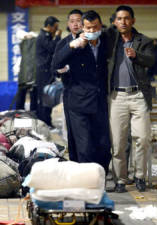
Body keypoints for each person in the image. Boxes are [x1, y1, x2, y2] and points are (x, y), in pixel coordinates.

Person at [51, 10, 111, 173]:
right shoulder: (70, 44)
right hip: (77, 101)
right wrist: (72, 46)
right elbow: (55, 65)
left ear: (100, 26)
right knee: (83, 144)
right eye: (88, 28)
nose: (91, 31)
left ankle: (101, 176)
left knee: (103, 143)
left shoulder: (105, 41)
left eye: (95, 27)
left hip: (99, 101)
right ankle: (85, 177)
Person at [107, 5, 155, 192]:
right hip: (117, 96)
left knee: (142, 138)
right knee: (118, 143)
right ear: (115, 21)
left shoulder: (144, 41)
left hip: (138, 96)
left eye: (126, 18)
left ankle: (140, 176)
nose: (123, 22)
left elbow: (151, 60)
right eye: (119, 19)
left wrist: (137, 55)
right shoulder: (111, 42)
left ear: (133, 20)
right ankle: (120, 180)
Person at [51, 9, 83, 162]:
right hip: (70, 91)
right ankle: (75, 161)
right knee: (72, 129)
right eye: (72, 21)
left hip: (90, 93)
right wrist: (61, 71)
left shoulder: (91, 42)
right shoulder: (63, 43)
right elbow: (54, 67)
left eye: (79, 21)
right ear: (68, 24)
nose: (76, 24)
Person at [35, 16, 62, 127]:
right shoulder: (43, 36)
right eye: (55, 27)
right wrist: (57, 37)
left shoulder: (46, 36)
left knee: (48, 96)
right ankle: (44, 121)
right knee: (45, 97)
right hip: (44, 71)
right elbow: (52, 48)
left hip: (47, 70)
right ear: (49, 26)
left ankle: (47, 120)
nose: (56, 30)